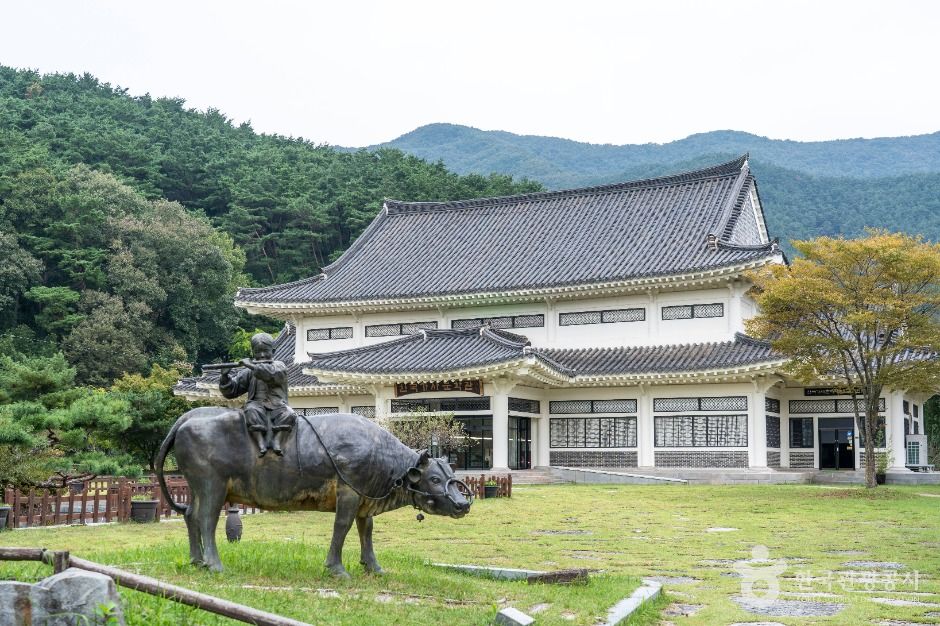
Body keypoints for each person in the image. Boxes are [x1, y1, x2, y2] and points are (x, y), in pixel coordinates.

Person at [218, 333, 296, 457]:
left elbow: (271, 374)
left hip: (277, 405)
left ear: (273, 351)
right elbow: (232, 390)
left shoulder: (279, 366)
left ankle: (277, 440)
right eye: (258, 352)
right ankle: (260, 443)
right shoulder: (248, 372)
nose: (262, 355)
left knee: (289, 414)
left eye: (265, 351)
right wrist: (224, 377)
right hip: (256, 404)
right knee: (250, 411)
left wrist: (251, 365)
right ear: (253, 352)